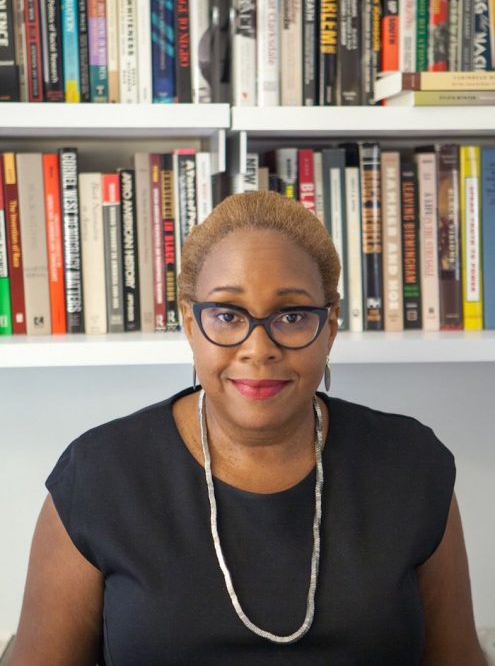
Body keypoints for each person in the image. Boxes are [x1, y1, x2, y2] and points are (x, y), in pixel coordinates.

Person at [9, 191, 486, 665]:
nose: (259, 349)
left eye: (292, 316)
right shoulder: (98, 476)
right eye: (227, 315)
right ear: (190, 325)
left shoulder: (412, 466)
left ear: (332, 324)